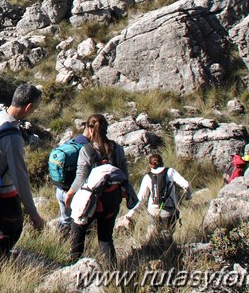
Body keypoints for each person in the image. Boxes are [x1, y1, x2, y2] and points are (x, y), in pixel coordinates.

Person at [0, 83, 45, 269]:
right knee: (11, 231)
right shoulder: (13, 136)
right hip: (4, 194)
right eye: (34, 109)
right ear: (29, 107)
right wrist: (33, 213)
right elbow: (20, 178)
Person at [64, 113, 136, 267]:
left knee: (78, 232)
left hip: (92, 201)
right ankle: (113, 273)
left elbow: (81, 178)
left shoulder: (87, 150)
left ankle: (74, 267)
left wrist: (70, 194)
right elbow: (124, 174)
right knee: (105, 238)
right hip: (112, 199)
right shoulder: (117, 149)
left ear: (90, 130)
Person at [121, 153, 191, 244]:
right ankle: (169, 251)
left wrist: (130, 213)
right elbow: (186, 184)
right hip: (168, 209)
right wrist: (188, 196)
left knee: (153, 232)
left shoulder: (147, 177)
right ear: (162, 163)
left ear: (150, 165)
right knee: (168, 235)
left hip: (153, 209)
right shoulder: (170, 171)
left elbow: (141, 198)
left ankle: (151, 250)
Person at [54, 123, 91, 234]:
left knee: (65, 219)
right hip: (73, 192)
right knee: (80, 223)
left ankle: (59, 241)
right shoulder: (87, 148)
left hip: (60, 188)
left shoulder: (72, 141)